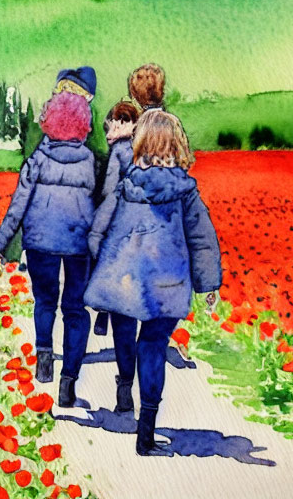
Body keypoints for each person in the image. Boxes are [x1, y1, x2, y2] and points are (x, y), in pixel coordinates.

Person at [84, 109, 222, 456]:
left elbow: (98, 228)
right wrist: (208, 285)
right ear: (177, 145)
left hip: (125, 278)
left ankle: (123, 389)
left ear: (140, 142)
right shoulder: (186, 191)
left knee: (125, 334)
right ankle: (146, 431)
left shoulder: (125, 185)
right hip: (167, 284)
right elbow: (202, 239)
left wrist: (105, 260)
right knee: (154, 347)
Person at [0, 85, 96, 408]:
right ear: (83, 123)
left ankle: (45, 355)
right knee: (76, 310)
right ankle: (68, 381)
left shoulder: (35, 160)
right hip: (79, 244)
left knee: (45, 301)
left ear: (49, 120)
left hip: (40, 244)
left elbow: (17, 207)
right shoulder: (91, 161)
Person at [92, 99, 140, 336]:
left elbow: (109, 187)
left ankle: (104, 312)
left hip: (117, 215)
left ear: (126, 123)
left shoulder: (119, 151)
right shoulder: (144, 147)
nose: (111, 132)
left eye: (115, 126)